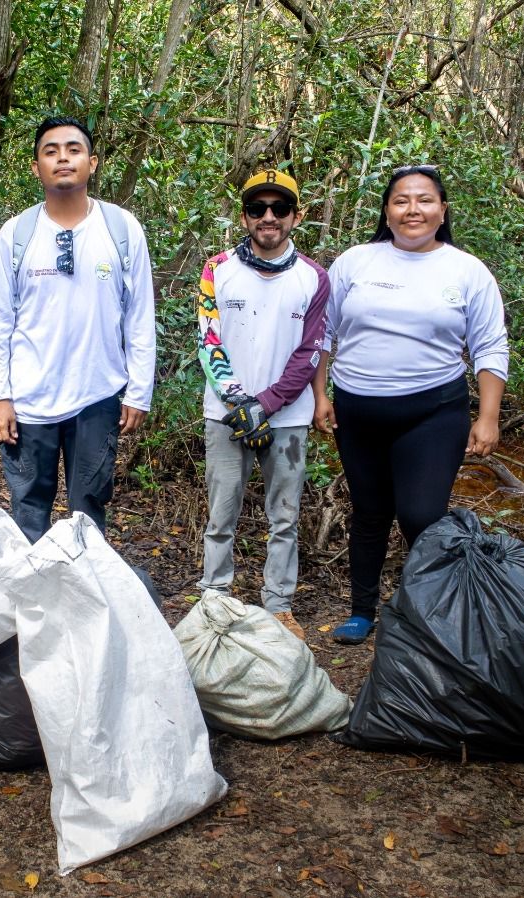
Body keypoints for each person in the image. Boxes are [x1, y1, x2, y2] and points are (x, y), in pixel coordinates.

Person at [318, 164, 509, 645]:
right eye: (401, 200)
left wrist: (488, 417)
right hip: (357, 412)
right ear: (387, 211)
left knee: (422, 515)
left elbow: (490, 346)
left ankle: (425, 612)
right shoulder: (355, 262)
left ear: (442, 211)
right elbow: (322, 333)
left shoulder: (467, 271)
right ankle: (363, 612)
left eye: (424, 200)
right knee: (369, 512)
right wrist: (320, 395)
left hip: (432, 413)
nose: (413, 210)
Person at [0, 116, 156, 543]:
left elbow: (139, 316)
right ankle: (31, 604)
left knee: (90, 510)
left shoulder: (121, 228)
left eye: (74, 149)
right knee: (28, 510)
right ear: (36, 167)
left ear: (92, 162)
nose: (63, 158)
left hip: (96, 394)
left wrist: (138, 391)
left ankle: (85, 602)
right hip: (28, 399)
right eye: (51, 150)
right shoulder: (16, 234)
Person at [196, 169, 330, 641]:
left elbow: (309, 350)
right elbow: (208, 339)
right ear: (245, 216)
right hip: (225, 413)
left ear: (296, 216)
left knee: (285, 516)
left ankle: (278, 605)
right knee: (221, 512)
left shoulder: (314, 279)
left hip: (288, 418)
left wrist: (266, 404)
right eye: (257, 208)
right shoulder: (217, 268)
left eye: (279, 208)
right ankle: (214, 596)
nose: (268, 217)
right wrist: (238, 401)